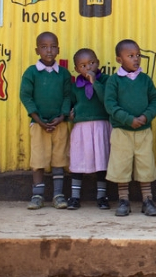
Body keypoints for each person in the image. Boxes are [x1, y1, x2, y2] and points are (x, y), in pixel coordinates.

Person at [104, 39, 156, 217]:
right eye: (130, 56)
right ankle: (123, 200)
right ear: (119, 60)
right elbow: (110, 104)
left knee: (145, 164)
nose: (136, 59)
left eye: (138, 55)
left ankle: (147, 200)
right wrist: (128, 119)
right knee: (121, 165)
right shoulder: (114, 81)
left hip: (143, 132)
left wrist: (146, 116)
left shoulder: (145, 80)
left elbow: (155, 100)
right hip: (122, 132)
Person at [19, 31, 72, 210]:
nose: (48, 51)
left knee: (59, 159)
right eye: (44, 47)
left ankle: (58, 195)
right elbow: (26, 97)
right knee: (38, 160)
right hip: (38, 124)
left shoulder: (63, 74)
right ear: (37, 50)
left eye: (52, 47)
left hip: (60, 124)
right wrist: (38, 119)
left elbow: (67, 96)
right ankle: (37, 196)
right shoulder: (31, 73)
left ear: (58, 49)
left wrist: (62, 116)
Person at [67, 48, 112, 210]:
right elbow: (69, 103)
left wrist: (96, 83)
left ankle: (102, 196)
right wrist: (69, 114)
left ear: (98, 63)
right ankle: (74, 196)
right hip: (81, 128)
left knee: (101, 162)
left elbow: (107, 100)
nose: (88, 68)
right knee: (78, 161)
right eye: (83, 65)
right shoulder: (75, 86)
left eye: (92, 63)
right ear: (77, 69)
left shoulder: (106, 80)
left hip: (101, 126)